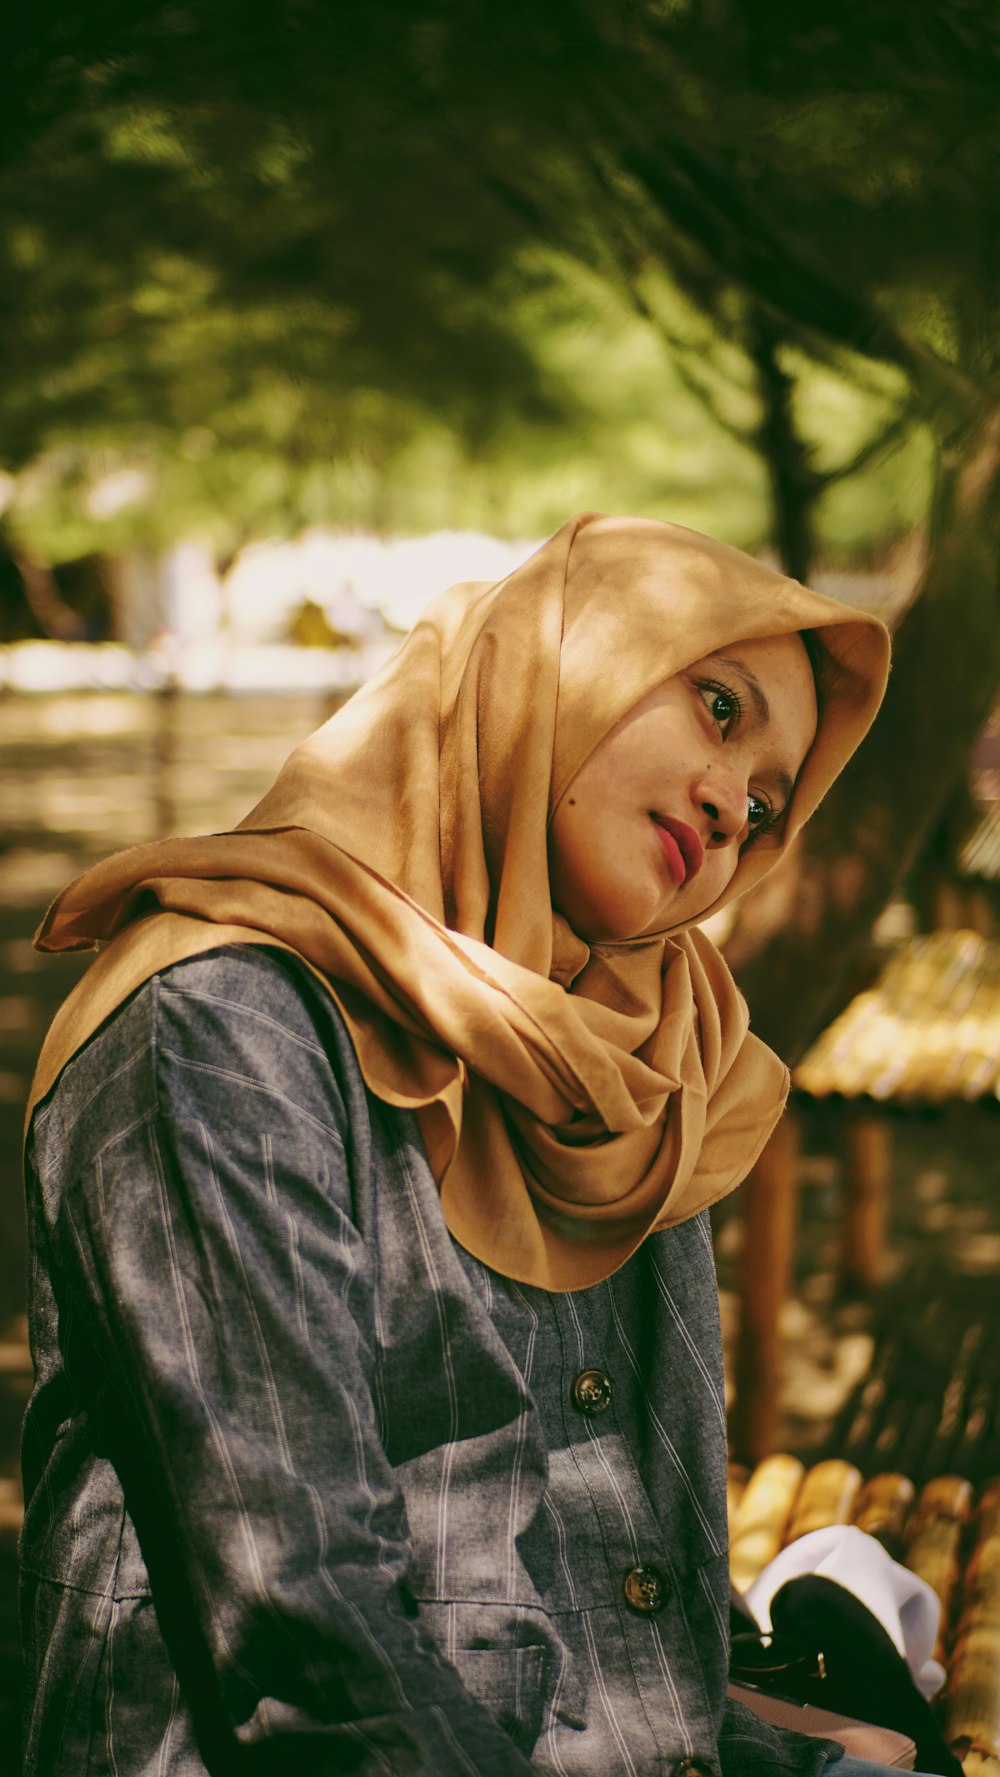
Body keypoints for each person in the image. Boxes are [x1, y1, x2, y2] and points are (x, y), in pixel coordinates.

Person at [20, 512, 922, 1776]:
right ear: (559, 662)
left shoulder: (634, 1077)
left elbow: (614, 1620)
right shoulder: (219, 1030)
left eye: (769, 806)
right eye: (716, 707)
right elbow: (305, 1645)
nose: (731, 809)